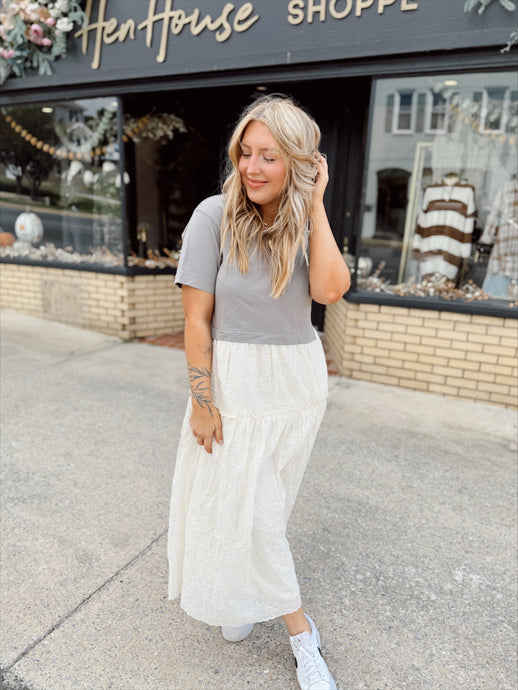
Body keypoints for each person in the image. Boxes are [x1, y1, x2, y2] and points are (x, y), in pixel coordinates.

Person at [167, 94, 350, 690]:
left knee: (269, 505)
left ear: (298, 161)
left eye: (269, 156)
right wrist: (203, 401)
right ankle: (302, 634)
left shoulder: (306, 221)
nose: (251, 167)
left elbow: (330, 291)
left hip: (296, 385)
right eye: (245, 152)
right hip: (234, 384)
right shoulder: (212, 217)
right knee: (253, 513)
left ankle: (240, 597)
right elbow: (197, 320)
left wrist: (315, 203)